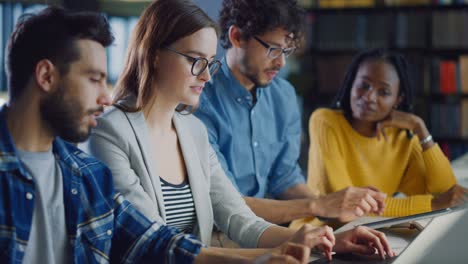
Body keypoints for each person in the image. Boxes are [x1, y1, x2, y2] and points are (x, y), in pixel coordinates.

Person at [81, 0, 394, 261]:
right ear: (153, 55)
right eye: (194, 61)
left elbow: (237, 217)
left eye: (208, 62)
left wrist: (328, 239)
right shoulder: (109, 133)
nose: (205, 75)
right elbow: (156, 243)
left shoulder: (192, 130)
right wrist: (261, 257)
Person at [0, 6, 315, 264]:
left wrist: (296, 248)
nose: (106, 97)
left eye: (209, 64)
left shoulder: (83, 174)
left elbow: (154, 242)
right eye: (94, 79)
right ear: (45, 76)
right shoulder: (106, 139)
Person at [194, 0, 386, 227]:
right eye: (273, 50)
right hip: (221, 234)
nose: (281, 63)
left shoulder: (283, 95)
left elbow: (284, 178)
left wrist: (338, 209)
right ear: (237, 37)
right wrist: (318, 206)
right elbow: (227, 205)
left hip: (271, 228)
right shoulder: (199, 103)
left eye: (287, 51)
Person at [291, 49, 468, 229]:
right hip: (315, 234)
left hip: (370, 233)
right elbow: (345, 207)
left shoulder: (403, 138)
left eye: (383, 92)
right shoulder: (325, 122)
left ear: (398, 100)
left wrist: (419, 128)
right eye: (364, 85)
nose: (369, 97)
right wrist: (433, 205)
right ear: (352, 83)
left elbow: (447, 194)